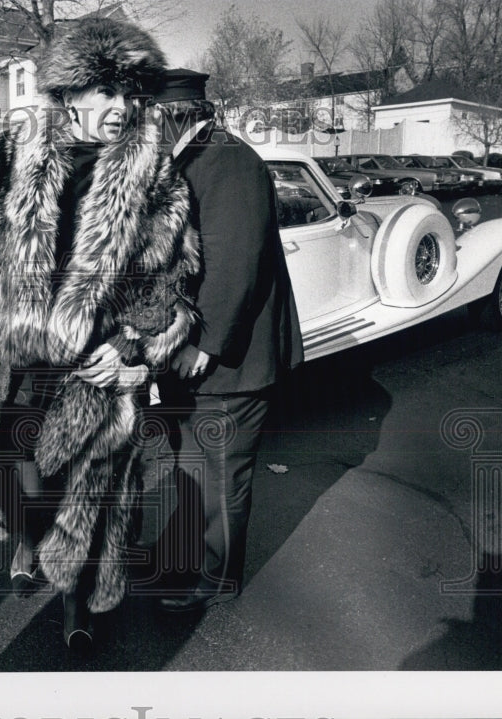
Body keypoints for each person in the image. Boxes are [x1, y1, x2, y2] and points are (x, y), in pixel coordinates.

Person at [0, 19, 200, 651]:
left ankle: (76, 607)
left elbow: (171, 274)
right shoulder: (12, 150)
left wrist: (133, 346)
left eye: (130, 95)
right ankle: (27, 539)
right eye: (105, 92)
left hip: (92, 365)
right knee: (9, 466)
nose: (120, 108)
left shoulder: (153, 172)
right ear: (70, 93)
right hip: (19, 354)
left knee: (91, 490)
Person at [151, 68, 304, 612]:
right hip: (191, 355)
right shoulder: (189, 160)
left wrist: (202, 344)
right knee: (193, 467)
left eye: (147, 116)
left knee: (220, 475)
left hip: (229, 360)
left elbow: (236, 266)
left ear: (171, 114)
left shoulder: (231, 161)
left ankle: (216, 581)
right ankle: (189, 559)